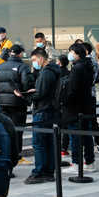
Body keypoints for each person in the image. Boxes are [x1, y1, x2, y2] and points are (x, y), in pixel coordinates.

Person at [25, 47, 61, 184]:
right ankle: (48, 171)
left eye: (34, 60)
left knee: (39, 143)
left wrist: (27, 95)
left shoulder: (46, 73)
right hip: (49, 109)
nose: (34, 62)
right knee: (47, 143)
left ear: (41, 58)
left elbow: (41, 94)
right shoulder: (53, 70)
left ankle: (39, 172)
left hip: (43, 110)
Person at [0, 43, 33, 166]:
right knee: (18, 130)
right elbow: (28, 84)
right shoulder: (23, 67)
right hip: (18, 103)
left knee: (4, 129)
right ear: (20, 54)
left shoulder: (0, 67)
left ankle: (5, 153)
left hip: (2, 103)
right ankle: (17, 155)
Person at [64, 43, 95, 172]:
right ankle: (89, 162)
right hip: (85, 106)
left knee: (75, 136)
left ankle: (76, 163)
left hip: (75, 107)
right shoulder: (88, 66)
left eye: (71, 51)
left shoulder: (77, 68)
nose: (70, 53)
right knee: (86, 135)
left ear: (77, 53)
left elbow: (73, 89)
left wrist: (65, 101)